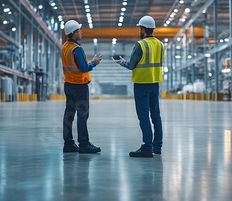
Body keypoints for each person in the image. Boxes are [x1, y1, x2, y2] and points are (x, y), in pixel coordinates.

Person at [112, 16, 164, 158]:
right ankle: (157, 146)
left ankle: (147, 147)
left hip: (142, 85)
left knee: (144, 117)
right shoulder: (160, 45)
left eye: (139, 28)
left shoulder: (141, 45)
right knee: (156, 115)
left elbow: (131, 65)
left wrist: (122, 62)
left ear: (142, 29)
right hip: (155, 83)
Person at [61, 20, 103, 153]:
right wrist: (94, 62)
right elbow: (84, 68)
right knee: (82, 115)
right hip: (79, 86)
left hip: (68, 85)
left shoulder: (65, 47)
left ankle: (68, 144)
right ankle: (84, 144)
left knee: (69, 114)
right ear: (74, 33)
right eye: (79, 30)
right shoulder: (76, 49)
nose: (81, 32)